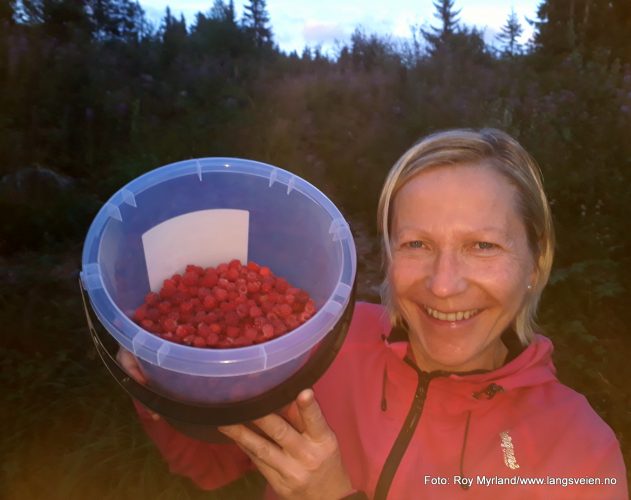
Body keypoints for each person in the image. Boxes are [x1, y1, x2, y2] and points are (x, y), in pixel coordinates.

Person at [118, 128, 628, 499]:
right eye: (417, 243)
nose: (444, 284)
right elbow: (214, 466)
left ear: (535, 265)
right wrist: (168, 397)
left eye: (483, 246)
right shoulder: (327, 343)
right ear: (388, 256)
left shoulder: (579, 454)